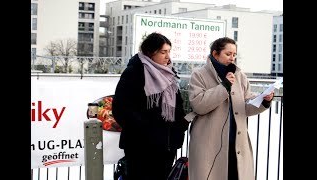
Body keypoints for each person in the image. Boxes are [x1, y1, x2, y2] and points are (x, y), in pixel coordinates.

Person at [187, 37, 274, 180]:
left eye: (234, 54)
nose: (232, 58)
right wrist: (224, 87)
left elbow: (246, 106)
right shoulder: (199, 74)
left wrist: (264, 101)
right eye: (228, 54)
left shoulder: (239, 75)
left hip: (236, 143)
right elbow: (199, 104)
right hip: (209, 145)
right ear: (215, 54)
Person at [112, 32, 189, 180]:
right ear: (150, 53)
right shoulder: (134, 72)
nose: (167, 56)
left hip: (166, 146)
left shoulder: (170, 74)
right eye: (163, 52)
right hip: (141, 147)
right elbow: (121, 108)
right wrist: (146, 130)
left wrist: (180, 128)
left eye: (169, 52)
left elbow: (178, 107)